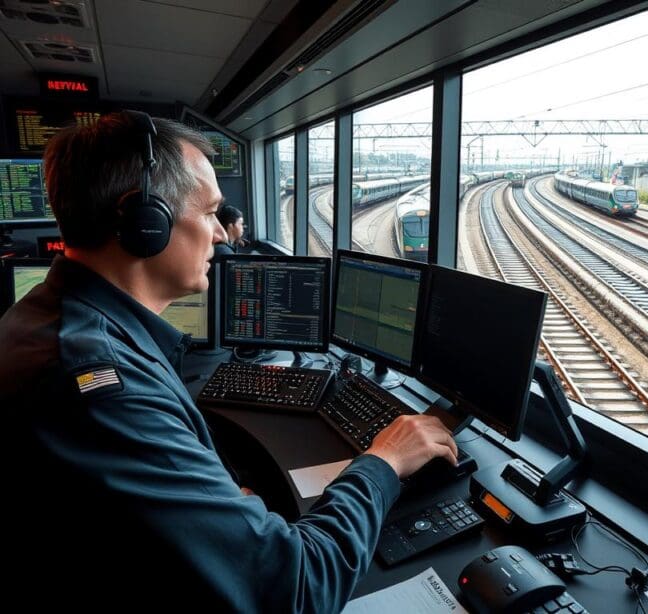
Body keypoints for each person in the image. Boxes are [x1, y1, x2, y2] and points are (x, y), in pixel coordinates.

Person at [0, 111, 458, 611]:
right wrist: (383, 462)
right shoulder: (102, 388)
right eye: (210, 212)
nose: (222, 233)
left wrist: (218, 502)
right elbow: (296, 589)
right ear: (144, 222)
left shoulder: (48, 320)